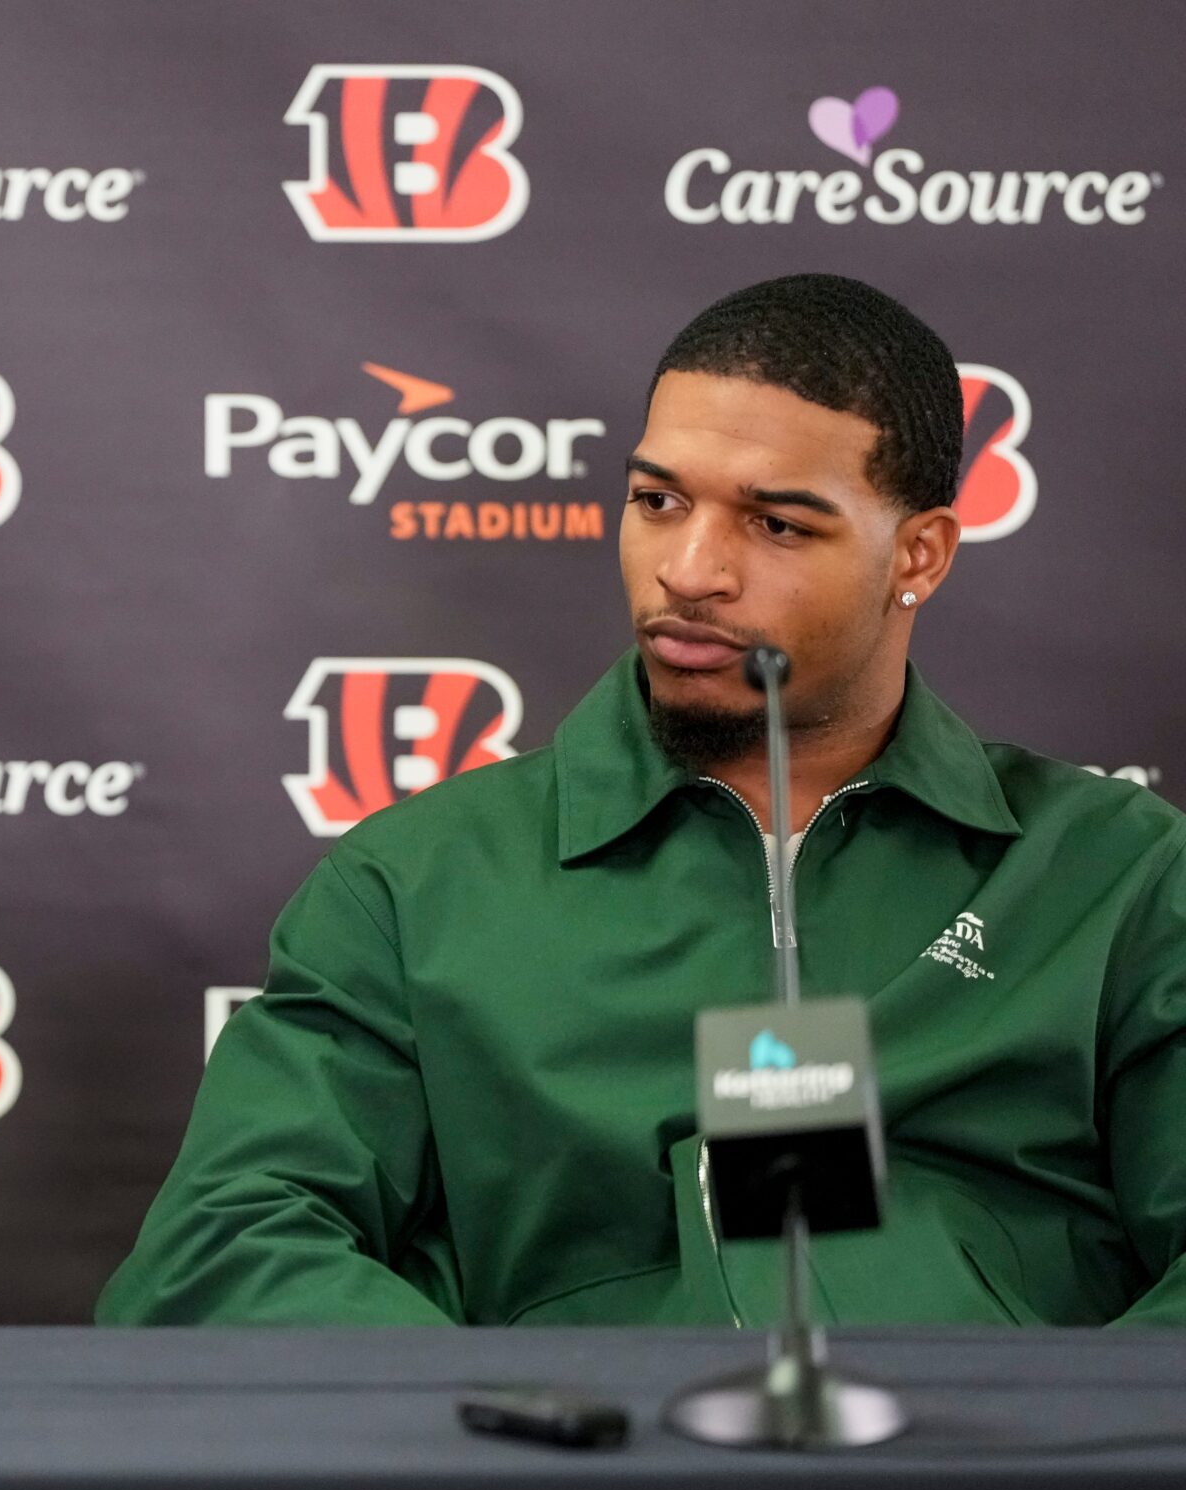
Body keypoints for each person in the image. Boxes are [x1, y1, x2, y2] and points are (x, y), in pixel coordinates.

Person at [104, 273, 1186, 1328]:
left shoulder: (1113, 876)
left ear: (919, 554)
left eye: (776, 525)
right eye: (658, 502)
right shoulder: (412, 883)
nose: (690, 569)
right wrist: (527, 1446)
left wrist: (1036, 1462)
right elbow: (219, 1254)